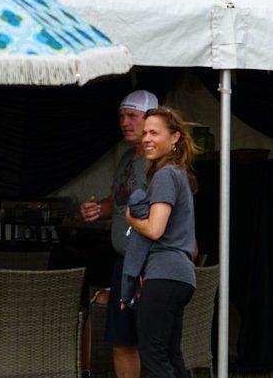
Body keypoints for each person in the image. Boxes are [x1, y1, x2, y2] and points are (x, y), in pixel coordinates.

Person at [80, 89, 158, 378]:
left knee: (150, 342)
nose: (125, 122)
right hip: (123, 262)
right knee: (122, 340)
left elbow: (166, 215)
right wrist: (97, 209)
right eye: (122, 116)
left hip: (148, 263)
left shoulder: (158, 162)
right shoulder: (127, 157)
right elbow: (119, 200)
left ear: (150, 119)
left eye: (132, 116)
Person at [125, 106, 198, 378]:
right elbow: (194, 246)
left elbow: (155, 229)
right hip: (181, 276)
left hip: (165, 275)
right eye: (145, 133)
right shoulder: (180, 175)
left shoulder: (166, 175)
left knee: (154, 358)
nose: (146, 139)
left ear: (175, 137)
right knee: (170, 355)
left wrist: (131, 218)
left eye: (154, 133)